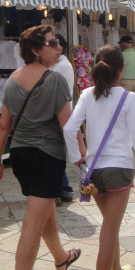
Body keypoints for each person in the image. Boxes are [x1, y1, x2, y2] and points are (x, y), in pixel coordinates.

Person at [0, 26, 80, 270]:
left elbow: (4, 125)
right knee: (32, 224)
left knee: (44, 212)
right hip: (46, 157)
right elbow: (68, 126)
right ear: (36, 50)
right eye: (52, 43)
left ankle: (61, 257)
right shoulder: (54, 81)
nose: (58, 47)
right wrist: (84, 159)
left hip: (21, 156)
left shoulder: (13, 80)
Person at [64, 44, 135, 270]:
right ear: (121, 70)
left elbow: (69, 129)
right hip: (120, 171)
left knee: (109, 227)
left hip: (95, 173)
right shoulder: (128, 98)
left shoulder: (87, 95)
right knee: (109, 231)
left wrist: (78, 158)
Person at [50, 34, 77, 203]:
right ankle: (64, 188)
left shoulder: (61, 66)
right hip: (60, 114)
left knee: (54, 153)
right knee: (56, 153)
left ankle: (59, 190)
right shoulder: (59, 65)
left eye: (53, 43)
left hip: (58, 114)